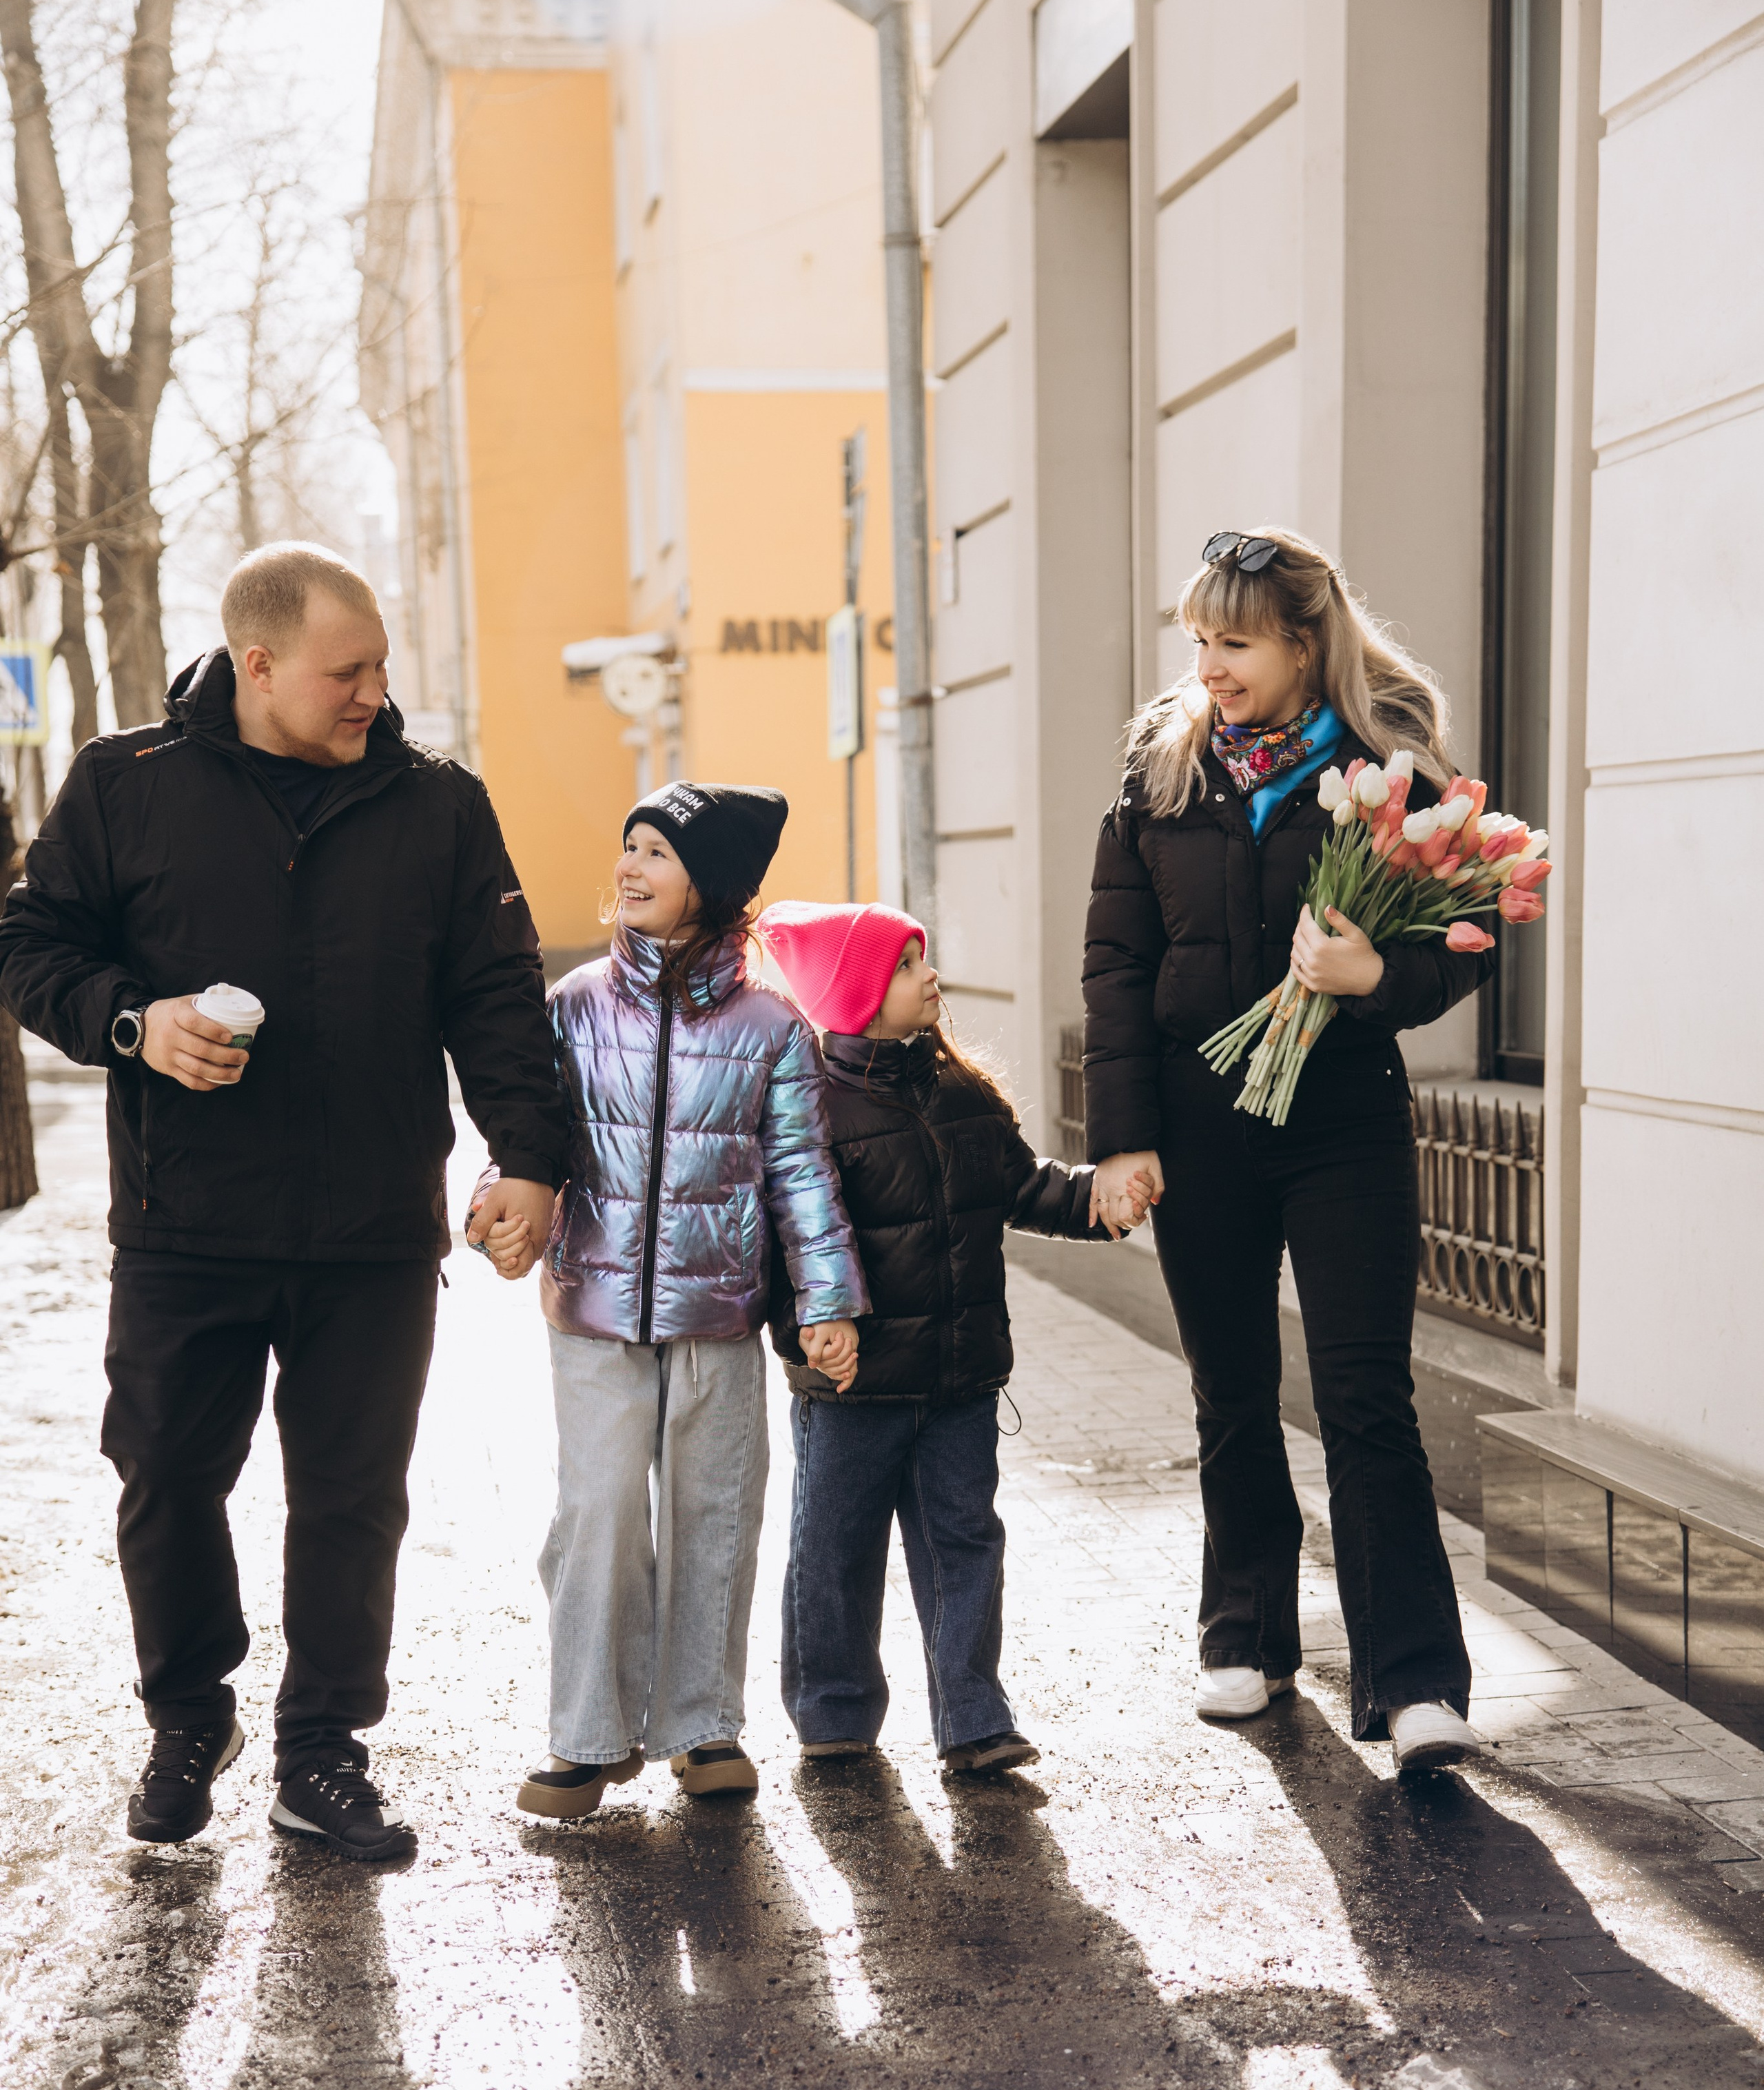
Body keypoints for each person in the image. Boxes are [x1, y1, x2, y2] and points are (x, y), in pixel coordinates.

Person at [0, 543, 567, 1858]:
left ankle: (323, 1752)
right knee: (164, 1478)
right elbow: (31, 948)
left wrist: (528, 1159)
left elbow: (495, 996)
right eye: (347, 671)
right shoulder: (124, 784)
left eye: (378, 664)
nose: (376, 691)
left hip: (371, 1228)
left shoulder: (437, 808)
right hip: (185, 1225)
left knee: (352, 1497)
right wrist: (138, 1024)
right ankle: (190, 1716)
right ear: (257, 666)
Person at [1083, 526, 1495, 1775]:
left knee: (1367, 1393)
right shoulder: (1160, 779)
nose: (1209, 664)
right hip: (1201, 1122)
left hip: (1342, 1118)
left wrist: (1379, 977)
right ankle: (1250, 1634)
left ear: (1307, 643)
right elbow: (1118, 970)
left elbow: (1469, 934)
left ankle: (1414, 1678)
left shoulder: (1392, 774)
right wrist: (1122, 1144)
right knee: (1233, 1392)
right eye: (1199, 639)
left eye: (1238, 641)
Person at [479, 784, 866, 1819]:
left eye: (658, 851)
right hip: (594, 1314)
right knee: (598, 1513)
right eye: (629, 845)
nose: (631, 868)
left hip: (718, 1323)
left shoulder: (774, 1029)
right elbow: (522, 1144)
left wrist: (829, 1303)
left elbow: (803, 1176)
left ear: (718, 885)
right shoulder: (572, 1006)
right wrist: (499, 1209)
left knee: (713, 1517)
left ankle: (703, 1727)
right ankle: (588, 1735)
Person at [755, 899, 1151, 1776]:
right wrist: (801, 1333)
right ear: (859, 993)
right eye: (904, 965)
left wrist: (1098, 1199)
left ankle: (973, 1717)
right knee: (832, 1550)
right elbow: (781, 1239)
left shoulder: (961, 1090)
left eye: (923, 959)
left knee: (965, 1542)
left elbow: (1024, 1187)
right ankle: (834, 1712)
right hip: (853, 1388)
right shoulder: (810, 1107)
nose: (928, 975)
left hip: (961, 1380)